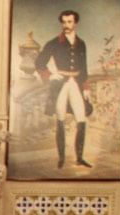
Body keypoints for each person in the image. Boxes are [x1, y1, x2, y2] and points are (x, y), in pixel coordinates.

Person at [35, 9, 92, 169]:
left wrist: (86, 87)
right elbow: (39, 62)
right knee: (60, 118)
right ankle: (61, 158)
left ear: (75, 23)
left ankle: (79, 158)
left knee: (81, 118)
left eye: (70, 22)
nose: (66, 25)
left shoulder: (82, 44)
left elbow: (84, 67)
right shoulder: (54, 43)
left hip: (76, 83)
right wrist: (50, 75)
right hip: (60, 85)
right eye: (64, 22)